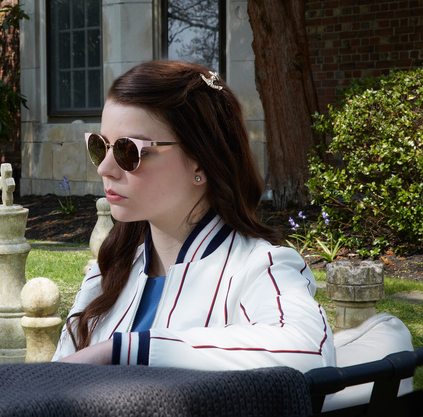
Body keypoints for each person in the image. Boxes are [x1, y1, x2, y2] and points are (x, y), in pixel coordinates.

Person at [52, 60, 334, 372]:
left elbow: (310, 352)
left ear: (200, 160)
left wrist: (124, 351)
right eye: (100, 146)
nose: (105, 168)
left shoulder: (259, 269)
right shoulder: (107, 275)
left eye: (128, 150)